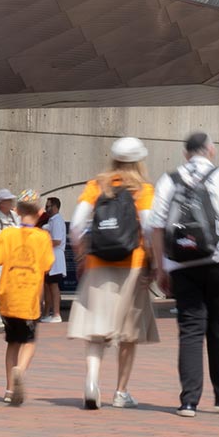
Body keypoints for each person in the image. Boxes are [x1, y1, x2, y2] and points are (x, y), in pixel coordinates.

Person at [147, 132, 219, 419]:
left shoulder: (168, 180)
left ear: (186, 154)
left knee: (190, 331)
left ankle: (188, 402)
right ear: (210, 150)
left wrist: (161, 268)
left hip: (183, 266)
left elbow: (157, 227)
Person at [69, 137, 160, 409]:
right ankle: (120, 392)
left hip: (98, 262)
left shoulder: (96, 186)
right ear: (139, 161)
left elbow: (76, 226)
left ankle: (92, 379)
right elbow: (150, 229)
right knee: (128, 331)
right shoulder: (143, 190)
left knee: (95, 329)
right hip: (132, 264)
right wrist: (153, 264)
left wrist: (82, 255)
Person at [0, 195, 53, 406]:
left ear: (16, 210)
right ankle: (21, 371)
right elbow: (47, 265)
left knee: (12, 343)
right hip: (29, 297)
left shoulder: (7, 234)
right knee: (29, 341)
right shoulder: (42, 237)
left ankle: (8, 389)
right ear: (41, 213)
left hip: (8, 296)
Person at [41, 195, 66, 323]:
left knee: (54, 285)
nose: (46, 209)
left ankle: (56, 313)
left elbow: (56, 240)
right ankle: (47, 313)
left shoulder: (56, 220)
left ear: (55, 207)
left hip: (55, 257)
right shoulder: (52, 220)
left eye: (48, 206)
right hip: (50, 256)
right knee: (48, 285)